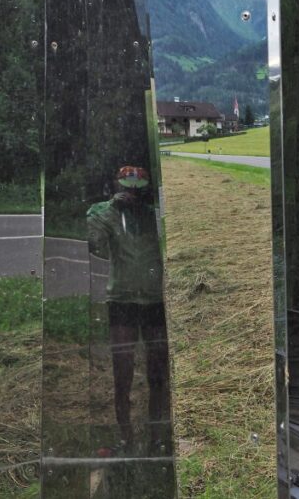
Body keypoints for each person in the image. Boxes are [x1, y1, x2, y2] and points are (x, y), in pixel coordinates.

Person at [87, 166, 170, 451]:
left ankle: (157, 436)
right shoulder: (104, 212)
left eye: (137, 187)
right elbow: (94, 243)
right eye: (126, 185)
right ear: (116, 184)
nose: (131, 191)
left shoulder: (154, 214)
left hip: (155, 299)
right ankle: (126, 437)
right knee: (122, 372)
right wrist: (114, 207)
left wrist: (150, 207)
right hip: (122, 300)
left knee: (158, 373)